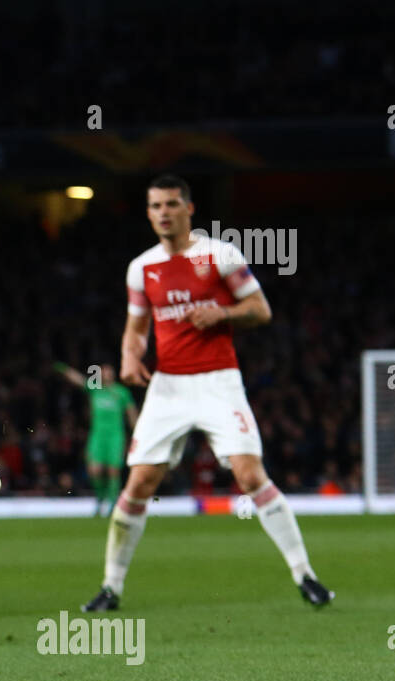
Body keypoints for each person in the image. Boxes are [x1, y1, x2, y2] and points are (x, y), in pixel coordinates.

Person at [81, 174, 334, 612]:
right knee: (140, 480)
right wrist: (128, 356)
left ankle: (305, 575)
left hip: (218, 380)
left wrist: (223, 311)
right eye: (155, 206)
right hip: (168, 386)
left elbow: (261, 310)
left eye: (171, 204)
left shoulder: (219, 254)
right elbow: (136, 329)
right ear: (148, 212)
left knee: (250, 475)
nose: (163, 213)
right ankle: (111, 587)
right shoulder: (141, 268)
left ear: (188, 209)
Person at [51, 362, 137, 516]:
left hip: (115, 437)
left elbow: (131, 414)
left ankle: (111, 503)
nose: (106, 374)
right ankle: (100, 498)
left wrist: (137, 434)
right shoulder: (95, 389)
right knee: (95, 471)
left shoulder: (121, 393)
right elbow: (78, 379)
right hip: (97, 436)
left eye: (109, 371)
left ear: (114, 374)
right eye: (103, 372)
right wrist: (63, 369)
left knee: (113, 471)